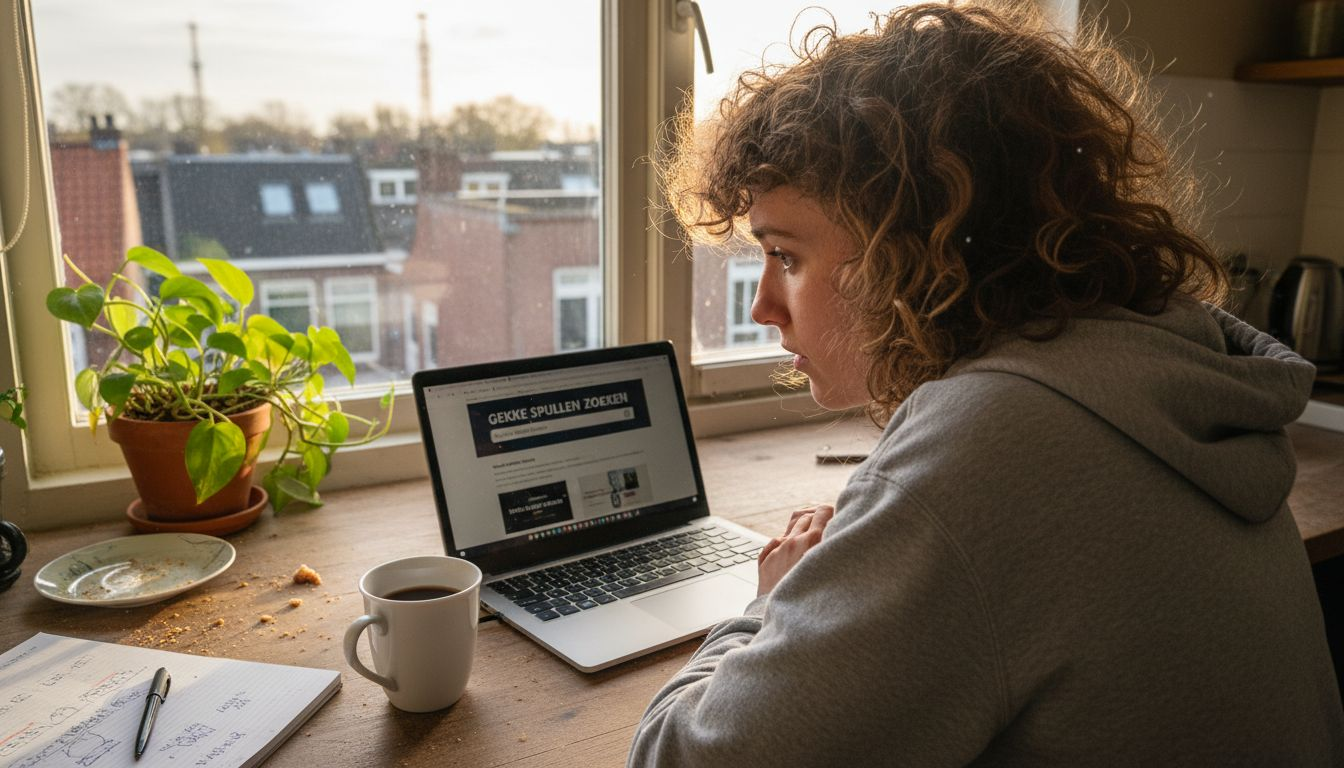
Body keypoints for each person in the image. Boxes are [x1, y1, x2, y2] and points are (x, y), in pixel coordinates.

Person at [629, 2, 1344, 765]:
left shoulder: (987, 447)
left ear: (910, 248)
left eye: (786, 256)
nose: (764, 307)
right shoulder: (1167, 371)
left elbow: (677, 757)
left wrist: (772, 604)